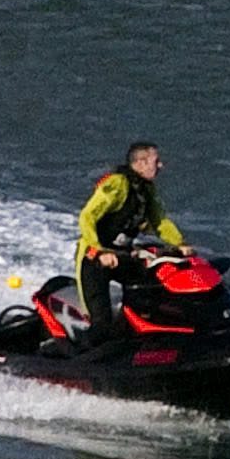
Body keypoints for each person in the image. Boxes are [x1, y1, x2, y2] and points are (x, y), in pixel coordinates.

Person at [74, 140, 183, 334]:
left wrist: (180, 244)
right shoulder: (117, 184)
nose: (161, 166)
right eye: (156, 161)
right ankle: (89, 350)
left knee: (152, 291)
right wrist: (99, 251)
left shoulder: (146, 190)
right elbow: (87, 216)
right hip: (95, 260)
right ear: (140, 163)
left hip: (123, 257)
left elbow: (159, 222)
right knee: (101, 324)